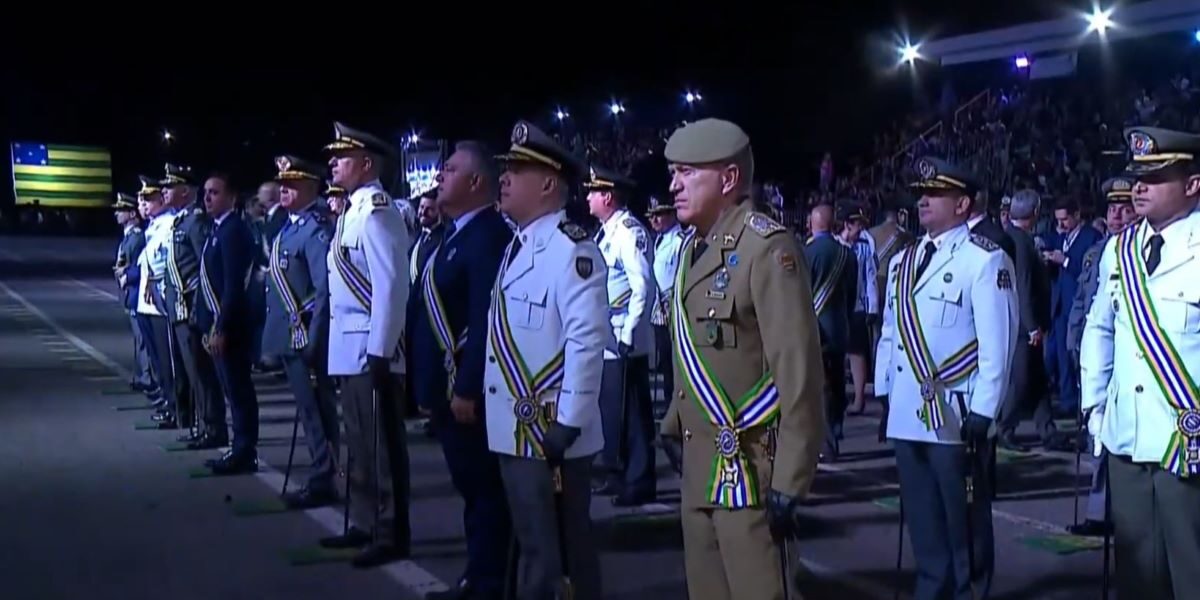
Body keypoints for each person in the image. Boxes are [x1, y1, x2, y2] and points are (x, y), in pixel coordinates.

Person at [660, 118, 825, 600]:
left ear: (728, 179)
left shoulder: (767, 249)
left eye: (688, 173)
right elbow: (698, 356)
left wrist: (792, 479)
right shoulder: (695, 249)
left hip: (751, 474)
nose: (674, 185)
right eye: (674, 173)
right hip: (701, 470)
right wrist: (674, 421)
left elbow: (798, 373)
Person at [875, 156, 1018, 600]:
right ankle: (930, 588)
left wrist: (984, 411)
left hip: (956, 412)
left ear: (962, 204)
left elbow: (998, 344)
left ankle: (968, 592)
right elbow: (889, 332)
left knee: (964, 522)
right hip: (907, 412)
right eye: (921, 194)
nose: (924, 202)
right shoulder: (903, 260)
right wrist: (884, 391)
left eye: (935, 194)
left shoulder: (984, 260)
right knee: (922, 519)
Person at [485, 120, 608, 600]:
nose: (505, 178)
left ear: (549, 184)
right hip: (518, 430)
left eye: (518, 169)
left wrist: (570, 423)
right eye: (506, 169)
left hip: (549, 432)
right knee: (536, 547)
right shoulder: (520, 245)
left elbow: (586, 340)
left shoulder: (571, 249)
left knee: (560, 552)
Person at [1080, 127, 1200, 599]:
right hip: (1126, 439)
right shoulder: (1119, 248)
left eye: (1156, 176)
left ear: (1193, 184)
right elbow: (1100, 329)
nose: (1139, 187)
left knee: (1192, 574)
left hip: (1186, 445)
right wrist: (1095, 410)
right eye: (1137, 176)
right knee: (1136, 579)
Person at [411, 141, 513, 600]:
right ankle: (480, 574)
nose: (439, 177)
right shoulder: (453, 234)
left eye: (449, 169)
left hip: (467, 391)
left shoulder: (487, 234)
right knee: (472, 489)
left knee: (484, 491)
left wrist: (467, 385)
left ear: (476, 182)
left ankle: (488, 581)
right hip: (446, 388)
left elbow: (483, 316)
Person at [321, 122, 412, 568]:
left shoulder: (378, 211)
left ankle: (389, 529)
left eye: (341, 157)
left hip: (369, 351)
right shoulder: (352, 210)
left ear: (367, 164)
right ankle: (362, 521)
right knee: (358, 442)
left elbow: (392, 285)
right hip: (348, 348)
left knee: (378, 447)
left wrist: (381, 348)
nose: (332, 163)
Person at [263, 156, 339, 508]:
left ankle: (324, 477)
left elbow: (324, 291)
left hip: (306, 336)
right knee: (309, 411)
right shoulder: (291, 226)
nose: (284, 189)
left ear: (311, 187)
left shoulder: (315, 229)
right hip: (292, 336)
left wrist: (314, 337)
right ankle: (321, 471)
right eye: (282, 183)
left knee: (317, 412)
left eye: (292, 184)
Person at [1062, 176, 1136, 537]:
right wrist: (1074, 341)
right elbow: (1082, 302)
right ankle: (1098, 510)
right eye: (1112, 209)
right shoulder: (1098, 254)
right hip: (1095, 359)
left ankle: (1116, 511)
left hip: (1131, 363)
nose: (1118, 216)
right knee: (1098, 437)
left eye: (1126, 208)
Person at [586, 164, 658, 506]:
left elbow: (642, 286)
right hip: (607, 338)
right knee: (612, 411)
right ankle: (616, 472)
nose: (587, 198)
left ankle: (639, 480)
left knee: (632, 414)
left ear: (608, 197)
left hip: (623, 340)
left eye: (592, 192)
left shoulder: (629, 231)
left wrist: (628, 332)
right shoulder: (606, 232)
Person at [194, 172, 259, 475]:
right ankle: (239, 447)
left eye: (215, 192)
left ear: (232, 197)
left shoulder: (234, 230)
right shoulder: (218, 229)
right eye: (205, 192)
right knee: (232, 391)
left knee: (239, 391)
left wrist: (220, 328)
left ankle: (244, 451)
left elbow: (234, 284)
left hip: (231, 327)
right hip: (219, 325)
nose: (207, 198)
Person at [161, 164, 224, 446]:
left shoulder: (196, 222)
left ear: (184, 191)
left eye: (169, 187)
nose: (164, 191)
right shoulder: (181, 220)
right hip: (179, 307)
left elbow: (205, 266)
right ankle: (202, 425)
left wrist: (200, 307)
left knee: (201, 372)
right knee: (191, 370)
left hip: (191, 307)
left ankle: (213, 428)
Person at [995, 189, 1056, 452]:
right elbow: (1022, 285)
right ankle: (1003, 427)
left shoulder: (1018, 238)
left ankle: (1048, 431)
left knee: (1038, 381)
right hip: (1023, 326)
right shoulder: (1019, 242)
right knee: (1021, 381)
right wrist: (1031, 326)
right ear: (1035, 212)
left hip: (1027, 324)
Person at [804, 202, 856, 460]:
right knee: (837, 385)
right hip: (839, 328)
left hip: (814, 330)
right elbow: (852, 296)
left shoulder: (806, 253)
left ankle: (826, 440)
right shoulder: (848, 254)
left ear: (811, 223)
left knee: (820, 387)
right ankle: (836, 428)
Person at [1046, 198, 1103, 417]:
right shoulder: (1059, 236)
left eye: (1065, 219)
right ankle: (1066, 398)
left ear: (1077, 215)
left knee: (1075, 355)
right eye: (1058, 220)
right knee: (1060, 354)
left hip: (1077, 304)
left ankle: (1078, 402)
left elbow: (1089, 271)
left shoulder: (1091, 237)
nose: (1061, 224)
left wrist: (1066, 261)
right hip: (1059, 302)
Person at [135, 177, 181, 424]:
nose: (142, 205)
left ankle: (176, 407)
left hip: (161, 303)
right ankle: (167, 399)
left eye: (148, 199)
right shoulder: (152, 227)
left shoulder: (170, 224)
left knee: (168, 361)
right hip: (147, 304)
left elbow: (166, 263)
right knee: (158, 360)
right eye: (141, 200)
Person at [112, 192, 156, 399]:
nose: (117, 214)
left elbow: (140, 265)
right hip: (131, 293)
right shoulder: (130, 236)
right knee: (139, 339)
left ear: (131, 214)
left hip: (138, 292)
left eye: (121, 210)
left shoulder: (137, 237)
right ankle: (143, 375)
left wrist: (126, 276)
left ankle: (148, 377)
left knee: (143, 340)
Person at [647, 196, 685, 414]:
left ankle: (675, 406)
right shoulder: (660, 239)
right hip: (658, 309)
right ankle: (670, 403)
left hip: (670, 307)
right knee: (663, 361)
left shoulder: (680, 240)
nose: (654, 220)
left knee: (673, 362)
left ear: (671, 214)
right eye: (652, 216)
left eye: (658, 215)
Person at [839, 203, 877, 415]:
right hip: (836, 306)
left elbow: (870, 275)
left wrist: (872, 307)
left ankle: (859, 399)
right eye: (857, 225)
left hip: (857, 306)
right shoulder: (835, 244)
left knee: (857, 352)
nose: (861, 229)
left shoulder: (865, 244)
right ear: (847, 224)